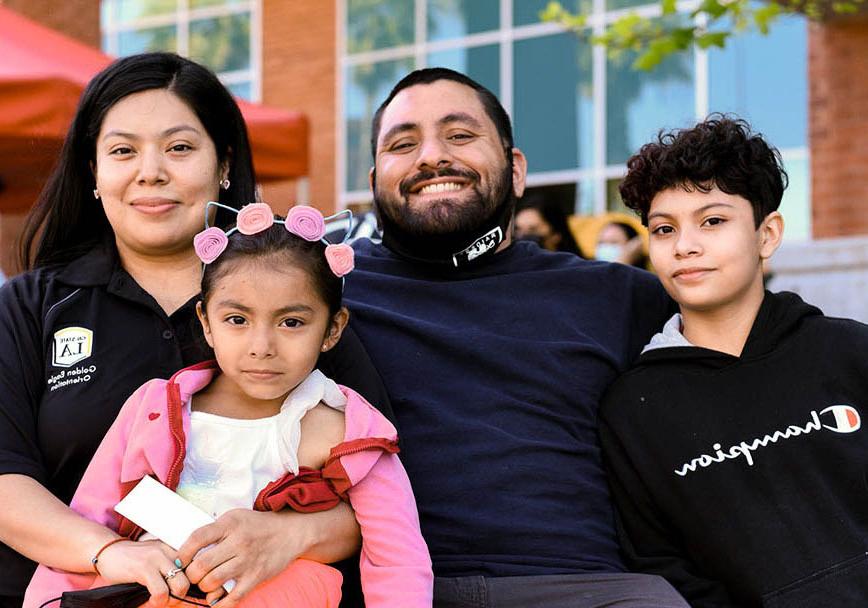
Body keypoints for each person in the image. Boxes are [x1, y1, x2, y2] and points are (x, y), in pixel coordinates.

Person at [0, 52, 387, 607]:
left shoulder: (294, 299)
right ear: (94, 172)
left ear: (223, 164)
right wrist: (112, 553)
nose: (150, 170)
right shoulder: (31, 305)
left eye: (179, 147)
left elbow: (377, 484)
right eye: (122, 150)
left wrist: (289, 535)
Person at [342, 66, 688, 607]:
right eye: (403, 143)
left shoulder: (620, 296)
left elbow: (758, 355)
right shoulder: (322, 292)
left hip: (587, 589)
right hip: (392, 588)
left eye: (460, 135)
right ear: (373, 182)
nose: (431, 156)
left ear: (517, 170)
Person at [25, 203, 432, 607]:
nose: (262, 348)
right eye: (238, 320)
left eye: (291, 322)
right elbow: (91, 519)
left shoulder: (350, 433)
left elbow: (397, 558)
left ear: (332, 329)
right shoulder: (154, 409)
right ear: (206, 322)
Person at [598, 116, 868, 606]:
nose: (685, 246)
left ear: (767, 235)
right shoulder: (633, 410)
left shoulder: (850, 352)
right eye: (664, 229)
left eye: (713, 221)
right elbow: (661, 565)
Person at [514, 194, 583, 256]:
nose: (522, 236)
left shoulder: (581, 268)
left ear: (556, 234)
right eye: (518, 229)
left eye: (533, 230)